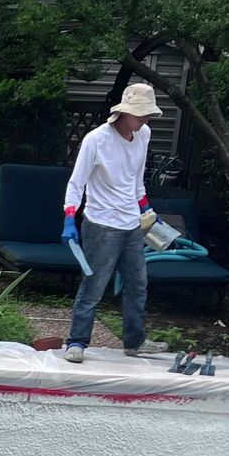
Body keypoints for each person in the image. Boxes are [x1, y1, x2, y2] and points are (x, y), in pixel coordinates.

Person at [62, 82, 163, 364]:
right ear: (124, 112)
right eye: (140, 114)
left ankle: (134, 341)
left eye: (147, 115)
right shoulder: (97, 140)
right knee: (94, 285)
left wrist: (147, 208)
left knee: (137, 283)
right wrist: (70, 218)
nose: (145, 119)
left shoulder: (143, 134)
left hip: (131, 223)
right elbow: (76, 182)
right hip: (101, 223)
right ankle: (77, 342)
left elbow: (136, 179)